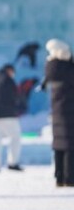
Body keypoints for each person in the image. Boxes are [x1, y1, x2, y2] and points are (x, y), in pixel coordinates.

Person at [44, 39, 74, 187]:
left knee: (59, 144)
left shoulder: (51, 67)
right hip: (69, 110)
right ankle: (69, 178)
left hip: (57, 111)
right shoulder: (68, 69)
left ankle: (59, 176)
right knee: (70, 144)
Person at [0, 64, 23, 173]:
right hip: (8, 113)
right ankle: (12, 162)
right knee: (15, 137)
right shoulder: (8, 80)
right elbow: (15, 95)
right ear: (9, 70)